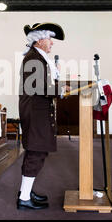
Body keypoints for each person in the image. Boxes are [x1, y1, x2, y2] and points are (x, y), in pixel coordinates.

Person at [17, 22, 70, 210]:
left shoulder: (37, 58)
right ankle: (23, 198)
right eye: (50, 39)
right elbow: (38, 87)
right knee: (36, 152)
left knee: (36, 151)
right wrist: (61, 88)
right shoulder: (33, 58)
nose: (52, 43)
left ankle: (25, 192)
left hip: (37, 112)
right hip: (35, 113)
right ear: (39, 40)